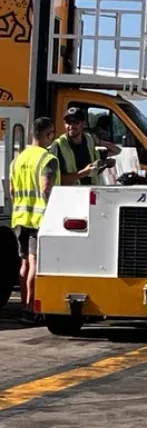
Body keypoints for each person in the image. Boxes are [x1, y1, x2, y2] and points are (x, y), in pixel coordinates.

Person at [9, 117, 60, 319]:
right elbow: (46, 188)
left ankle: (24, 305)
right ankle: (32, 308)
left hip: (20, 217)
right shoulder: (48, 159)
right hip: (39, 218)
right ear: (48, 134)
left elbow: (12, 190)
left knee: (24, 263)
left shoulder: (18, 159)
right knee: (35, 263)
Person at [49, 107, 100, 185]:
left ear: (83, 123)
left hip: (89, 192)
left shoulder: (89, 140)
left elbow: (92, 171)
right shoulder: (58, 145)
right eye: (68, 122)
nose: (71, 126)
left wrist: (104, 165)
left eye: (75, 122)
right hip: (69, 195)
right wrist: (83, 173)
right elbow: (55, 179)